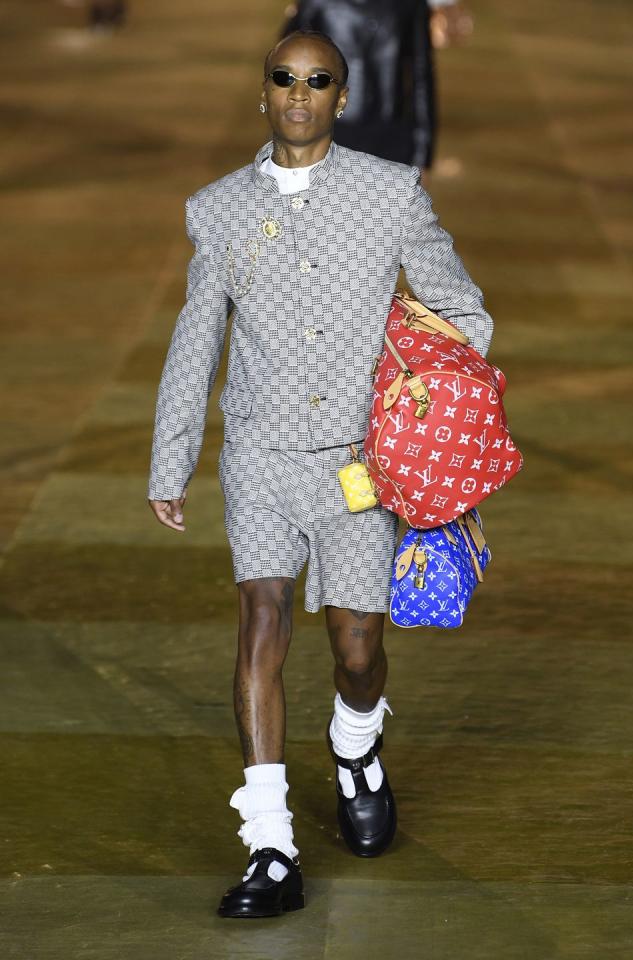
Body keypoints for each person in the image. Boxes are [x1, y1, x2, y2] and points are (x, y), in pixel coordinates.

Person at [148, 29, 493, 919]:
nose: (298, 94)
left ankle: (356, 744)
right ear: (261, 93)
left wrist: (427, 402)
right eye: (283, 78)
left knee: (357, 648)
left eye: (318, 81)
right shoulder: (217, 208)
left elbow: (461, 308)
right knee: (260, 620)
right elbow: (196, 338)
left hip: (359, 463)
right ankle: (270, 846)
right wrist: (172, 456)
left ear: (342, 98)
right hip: (258, 453)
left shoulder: (389, 193)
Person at [281, 0, 436, 172]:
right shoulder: (316, 4)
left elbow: (421, 74)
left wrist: (422, 154)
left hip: (391, 139)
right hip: (331, 136)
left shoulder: (411, 5)